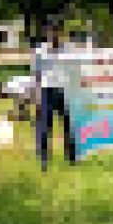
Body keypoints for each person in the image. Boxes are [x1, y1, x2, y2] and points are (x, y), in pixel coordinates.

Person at [34, 22, 76, 171]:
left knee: (69, 126)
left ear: (60, 33)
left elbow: (73, 70)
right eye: (51, 32)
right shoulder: (40, 51)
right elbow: (37, 74)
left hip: (65, 90)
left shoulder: (68, 50)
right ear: (47, 33)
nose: (54, 35)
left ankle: (71, 157)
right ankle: (44, 159)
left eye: (56, 31)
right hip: (47, 90)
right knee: (45, 126)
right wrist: (37, 95)